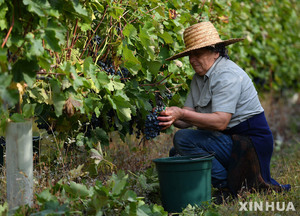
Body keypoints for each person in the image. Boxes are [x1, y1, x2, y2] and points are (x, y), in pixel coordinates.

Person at [157, 21, 290, 191]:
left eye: (197, 53)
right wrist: (169, 116)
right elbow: (186, 119)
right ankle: (230, 182)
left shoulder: (227, 75)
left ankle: (227, 187)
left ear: (215, 52)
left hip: (250, 144)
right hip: (229, 140)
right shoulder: (199, 78)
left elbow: (220, 122)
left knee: (183, 139)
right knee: (177, 153)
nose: (191, 60)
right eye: (190, 55)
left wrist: (181, 114)